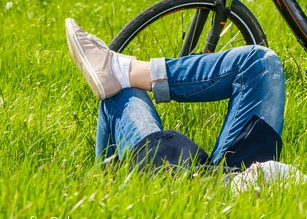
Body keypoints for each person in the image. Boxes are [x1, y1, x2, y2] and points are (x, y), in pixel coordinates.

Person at [64, 18, 293, 174]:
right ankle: (126, 72)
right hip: (245, 168)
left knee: (122, 92)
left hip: (194, 188)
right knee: (260, 61)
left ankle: (109, 195)